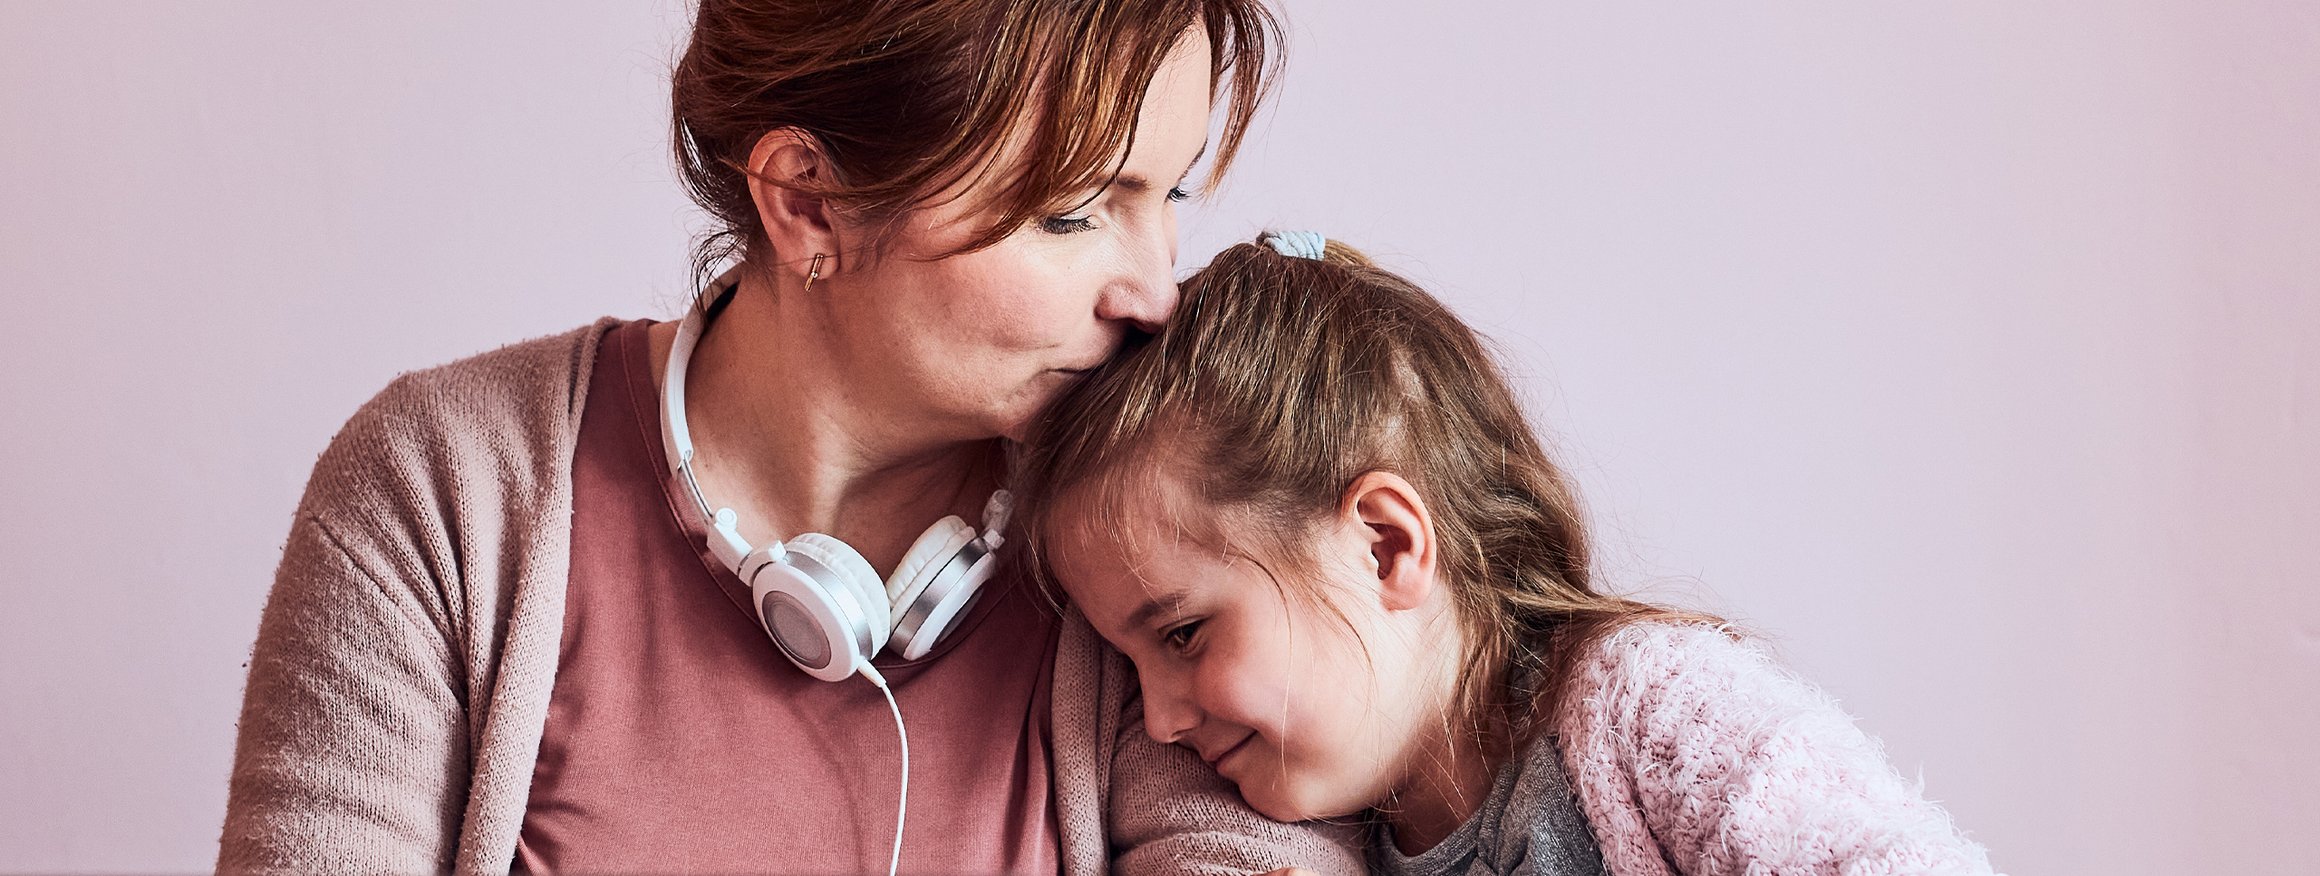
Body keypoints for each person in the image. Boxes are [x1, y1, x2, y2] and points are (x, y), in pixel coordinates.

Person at [216, 3, 1362, 874]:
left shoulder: (1177, 527)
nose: (1154, 292)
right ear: (806, 201)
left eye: (1166, 197)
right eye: (1073, 214)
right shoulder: (440, 489)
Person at [1016, 232, 2003, 876]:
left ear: (1385, 544)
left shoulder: (1644, 711)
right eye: (1130, 660)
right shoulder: (1326, 836)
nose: (1157, 716)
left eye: (1183, 633)